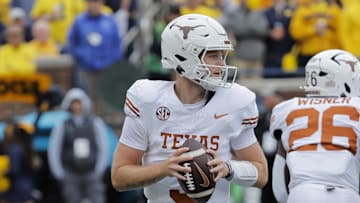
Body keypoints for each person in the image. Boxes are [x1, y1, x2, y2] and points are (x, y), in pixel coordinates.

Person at [111, 14, 268, 203]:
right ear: (183, 56)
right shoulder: (148, 100)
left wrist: (229, 169)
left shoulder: (235, 101)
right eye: (213, 55)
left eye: (221, 55)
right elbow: (119, 176)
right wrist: (164, 169)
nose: (221, 64)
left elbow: (261, 173)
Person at [269, 49, 360, 203]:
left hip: (301, 193)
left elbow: (280, 164)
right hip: (344, 193)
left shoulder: (287, 108)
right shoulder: (356, 106)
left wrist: (285, 199)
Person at [48, 88, 108, 203]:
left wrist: (99, 170)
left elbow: (103, 147)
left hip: (91, 171)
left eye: (79, 103)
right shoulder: (62, 125)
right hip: (71, 173)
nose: (77, 106)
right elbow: (54, 149)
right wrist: (58, 172)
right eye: (73, 103)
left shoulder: (95, 123)